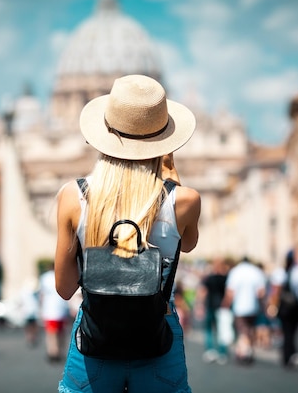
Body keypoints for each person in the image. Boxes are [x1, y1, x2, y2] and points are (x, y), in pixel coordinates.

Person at [54, 74, 201, 393]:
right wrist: (173, 179)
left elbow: (65, 289)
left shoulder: (72, 196)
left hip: (95, 336)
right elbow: (187, 245)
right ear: (166, 144)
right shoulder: (186, 200)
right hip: (157, 334)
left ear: (104, 133)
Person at [268, 249, 298, 369]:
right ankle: (291, 354)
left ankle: (288, 355)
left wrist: (272, 306)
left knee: (287, 332)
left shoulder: (281, 272)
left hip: (287, 307)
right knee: (291, 332)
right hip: (294, 306)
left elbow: (275, 292)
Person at [223, 256, 266, 365]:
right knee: (250, 330)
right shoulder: (256, 271)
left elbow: (230, 292)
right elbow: (261, 292)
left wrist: (226, 304)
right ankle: (248, 350)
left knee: (243, 331)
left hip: (239, 307)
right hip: (253, 306)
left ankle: (243, 352)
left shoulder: (235, 272)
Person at [196, 258, 230, 364]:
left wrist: (199, 305)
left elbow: (203, 292)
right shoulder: (227, 278)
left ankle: (211, 351)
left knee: (209, 330)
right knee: (222, 330)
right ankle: (222, 353)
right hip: (222, 307)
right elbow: (230, 293)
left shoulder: (209, 278)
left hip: (210, 306)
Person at [39, 263, 70, 363]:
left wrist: (40, 308)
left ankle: (53, 351)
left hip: (50, 309)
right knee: (61, 332)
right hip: (61, 307)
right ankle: (59, 351)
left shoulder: (45, 277)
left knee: (51, 333)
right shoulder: (63, 275)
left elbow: (42, 294)